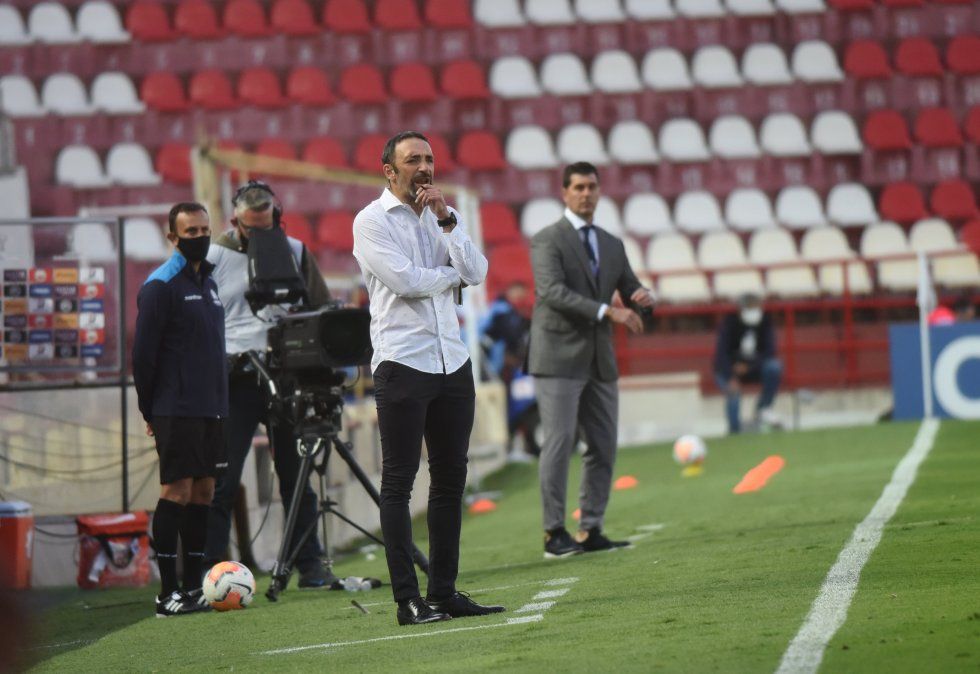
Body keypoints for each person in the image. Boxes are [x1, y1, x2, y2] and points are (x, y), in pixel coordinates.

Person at [352, 130, 504, 626]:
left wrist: (446, 220)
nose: (424, 166)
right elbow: (406, 282)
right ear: (389, 170)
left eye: (429, 158)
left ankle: (443, 592)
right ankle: (407, 601)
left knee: (450, 478)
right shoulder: (370, 221)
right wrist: (450, 277)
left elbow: (477, 271)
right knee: (399, 482)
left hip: (452, 361)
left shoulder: (443, 215)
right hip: (402, 362)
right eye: (412, 159)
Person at [204, 181, 334, 588]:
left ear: (277, 218)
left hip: (286, 374)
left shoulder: (295, 251)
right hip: (236, 378)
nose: (259, 234)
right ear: (235, 222)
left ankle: (309, 564)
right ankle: (211, 571)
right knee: (223, 478)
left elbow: (320, 308)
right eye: (251, 228)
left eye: (266, 226)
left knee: (296, 475)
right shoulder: (212, 258)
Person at [528, 162, 654, 559]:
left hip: (599, 358)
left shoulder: (612, 244)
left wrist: (643, 299)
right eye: (579, 187)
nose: (586, 194)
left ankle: (590, 528)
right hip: (558, 356)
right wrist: (607, 311)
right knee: (559, 443)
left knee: (603, 445)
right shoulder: (547, 239)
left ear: (599, 192)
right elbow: (551, 292)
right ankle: (553, 533)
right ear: (564, 192)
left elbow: (630, 289)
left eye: (592, 187)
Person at [132, 202, 227, 616]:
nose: (200, 238)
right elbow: (143, 357)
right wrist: (150, 410)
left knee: (205, 492)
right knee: (177, 491)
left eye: (204, 230)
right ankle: (167, 592)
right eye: (191, 232)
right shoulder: (160, 286)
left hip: (212, 407)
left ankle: (193, 588)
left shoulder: (210, 282)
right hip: (175, 406)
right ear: (172, 237)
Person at [713, 292, 783, 434]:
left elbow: (770, 351)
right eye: (751, 308)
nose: (754, 312)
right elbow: (721, 354)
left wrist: (749, 366)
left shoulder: (765, 322)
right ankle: (734, 429)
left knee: (774, 367)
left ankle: (763, 409)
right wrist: (730, 376)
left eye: (756, 308)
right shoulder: (729, 323)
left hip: (754, 369)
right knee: (733, 391)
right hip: (729, 369)